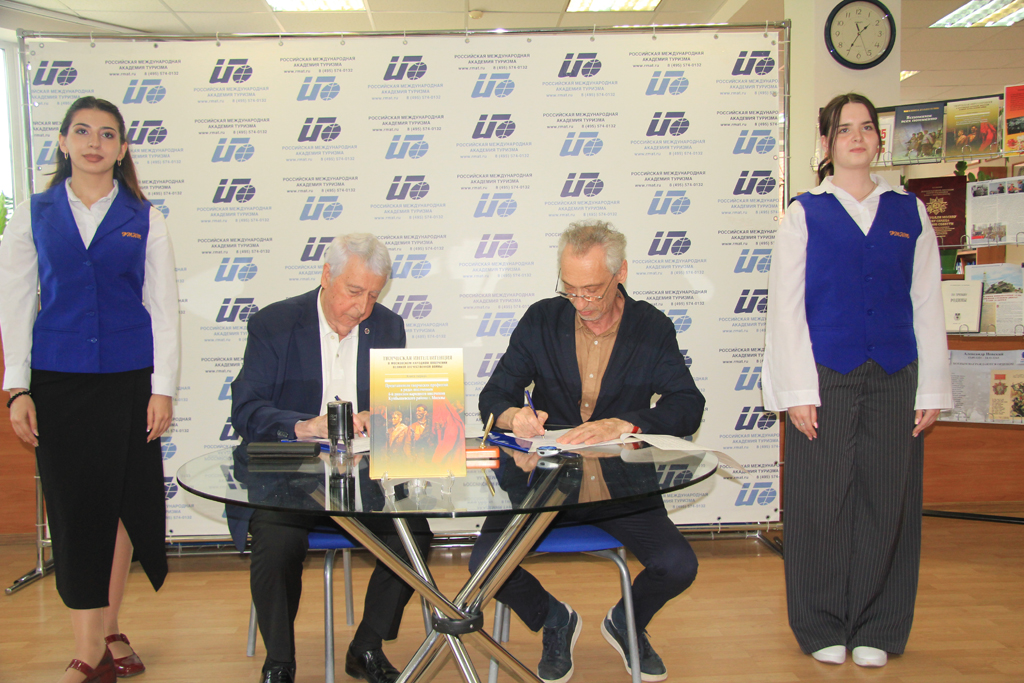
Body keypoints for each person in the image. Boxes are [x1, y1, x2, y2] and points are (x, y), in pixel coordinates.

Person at [762, 93, 952, 668]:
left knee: (887, 501)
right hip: (826, 377)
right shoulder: (804, 214)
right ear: (826, 143)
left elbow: (927, 303)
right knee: (821, 503)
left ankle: (877, 625)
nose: (857, 137)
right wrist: (797, 392)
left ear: (878, 139)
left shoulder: (909, 212)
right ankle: (821, 623)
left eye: (867, 127)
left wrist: (931, 388)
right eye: (844, 129)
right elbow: (786, 310)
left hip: (895, 375)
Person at [474, 220, 705, 683]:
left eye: (593, 291)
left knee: (678, 565)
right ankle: (554, 620)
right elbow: (493, 396)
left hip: (621, 485)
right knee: (485, 565)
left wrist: (628, 424)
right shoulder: (542, 319)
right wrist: (515, 417)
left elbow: (687, 405)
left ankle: (627, 622)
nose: (581, 303)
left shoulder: (650, 327)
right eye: (571, 290)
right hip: (545, 484)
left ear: (621, 274)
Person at [0, 97, 179, 683]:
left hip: (128, 383)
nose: (93, 143)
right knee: (77, 512)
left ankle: (106, 629)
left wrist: (162, 388)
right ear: (62, 142)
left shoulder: (145, 217)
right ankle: (90, 650)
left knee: (122, 508)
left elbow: (163, 309)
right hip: (59, 383)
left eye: (106, 134)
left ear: (122, 148)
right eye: (82, 131)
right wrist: (16, 388)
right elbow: (15, 302)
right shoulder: (32, 214)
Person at [227, 233, 433, 683]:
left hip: (363, 478)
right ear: (326, 276)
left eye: (373, 295)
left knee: (413, 535)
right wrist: (305, 425)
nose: (362, 308)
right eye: (354, 291)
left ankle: (366, 647)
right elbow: (246, 410)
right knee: (276, 542)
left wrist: (386, 417)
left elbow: (401, 410)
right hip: (290, 475)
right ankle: (279, 660)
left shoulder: (388, 327)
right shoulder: (275, 324)